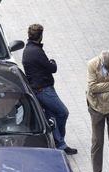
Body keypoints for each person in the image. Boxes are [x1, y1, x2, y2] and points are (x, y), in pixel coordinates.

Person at [22, 24, 77, 155]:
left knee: (51, 115)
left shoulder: (29, 49)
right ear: (40, 36)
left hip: (38, 88)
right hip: (44, 90)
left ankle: (59, 143)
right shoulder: (36, 51)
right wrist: (52, 61)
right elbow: (52, 68)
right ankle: (60, 142)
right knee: (62, 112)